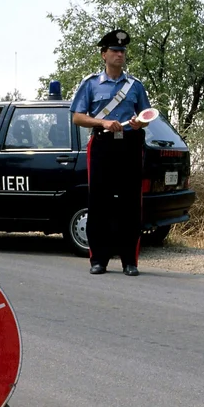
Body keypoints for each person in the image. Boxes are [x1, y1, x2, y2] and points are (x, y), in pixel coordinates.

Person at [71, 29, 152, 276]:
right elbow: (77, 117)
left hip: (129, 145)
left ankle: (130, 261)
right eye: (115, 51)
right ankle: (99, 260)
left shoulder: (135, 86)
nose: (119, 54)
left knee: (130, 204)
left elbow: (147, 116)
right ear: (104, 54)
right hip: (103, 145)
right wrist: (102, 123)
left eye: (122, 51)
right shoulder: (91, 84)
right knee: (99, 203)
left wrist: (140, 123)